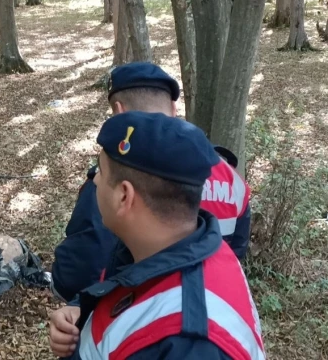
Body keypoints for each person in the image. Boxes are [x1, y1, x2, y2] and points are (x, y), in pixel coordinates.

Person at [49, 111, 265, 359]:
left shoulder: (189, 343)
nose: (95, 180)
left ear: (124, 196)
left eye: (101, 171)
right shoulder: (183, 246)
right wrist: (83, 311)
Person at [51, 62, 251, 303]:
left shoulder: (118, 176)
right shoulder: (230, 176)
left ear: (119, 110)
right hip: (215, 299)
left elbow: (82, 264)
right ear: (174, 108)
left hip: (135, 309)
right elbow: (236, 251)